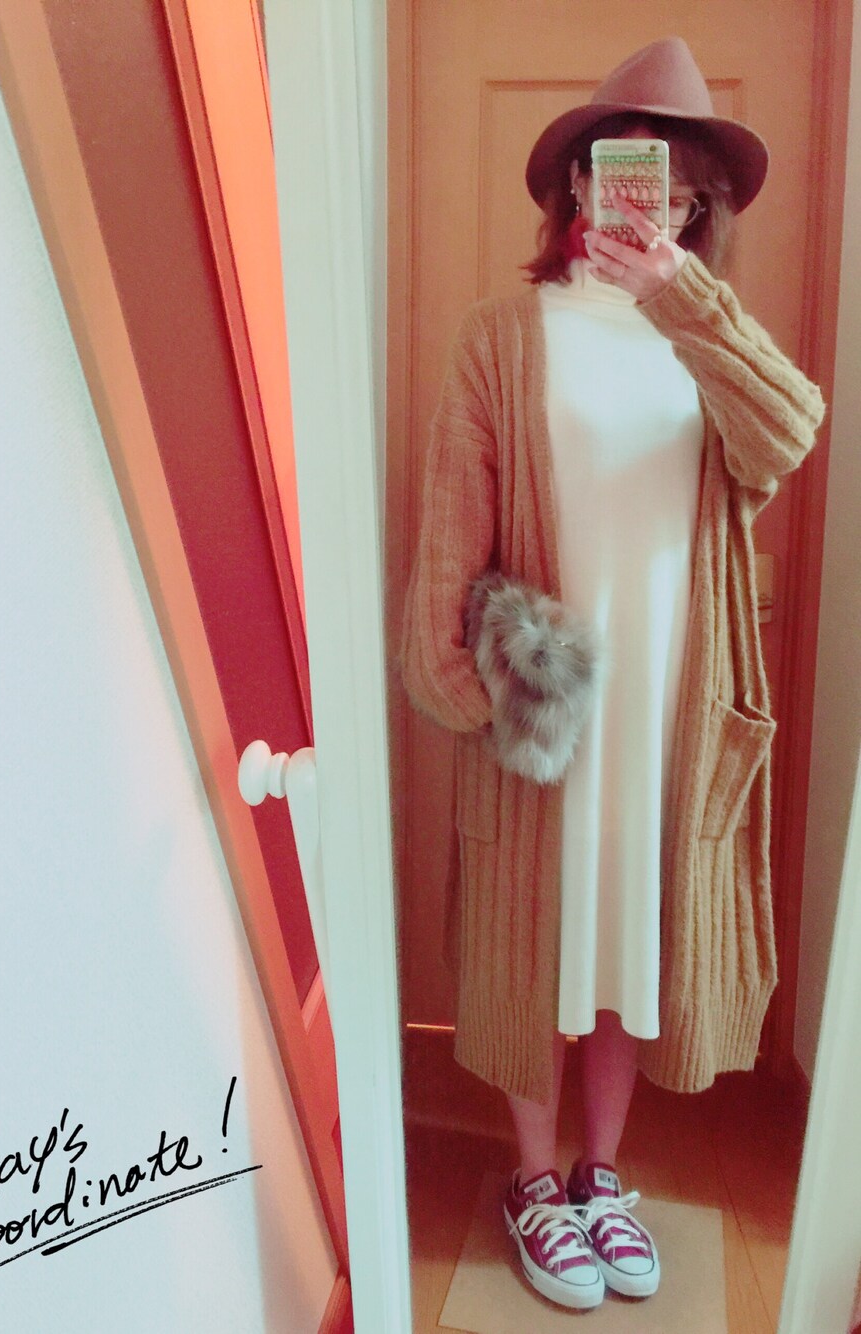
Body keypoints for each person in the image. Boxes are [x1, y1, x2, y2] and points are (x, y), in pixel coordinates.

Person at [399, 36, 825, 1313]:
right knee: (536, 944)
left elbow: (789, 431)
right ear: (575, 185)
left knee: (632, 944)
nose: (645, 203)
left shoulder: (706, 337)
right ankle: (533, 1178)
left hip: (670, 716)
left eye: (675, 190)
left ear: (696, 211)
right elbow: (449, 539)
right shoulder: (501, 336)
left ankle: (600, 1174)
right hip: (552, 714)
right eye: (622, 173)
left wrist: (683, 299)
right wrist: (468, 694)